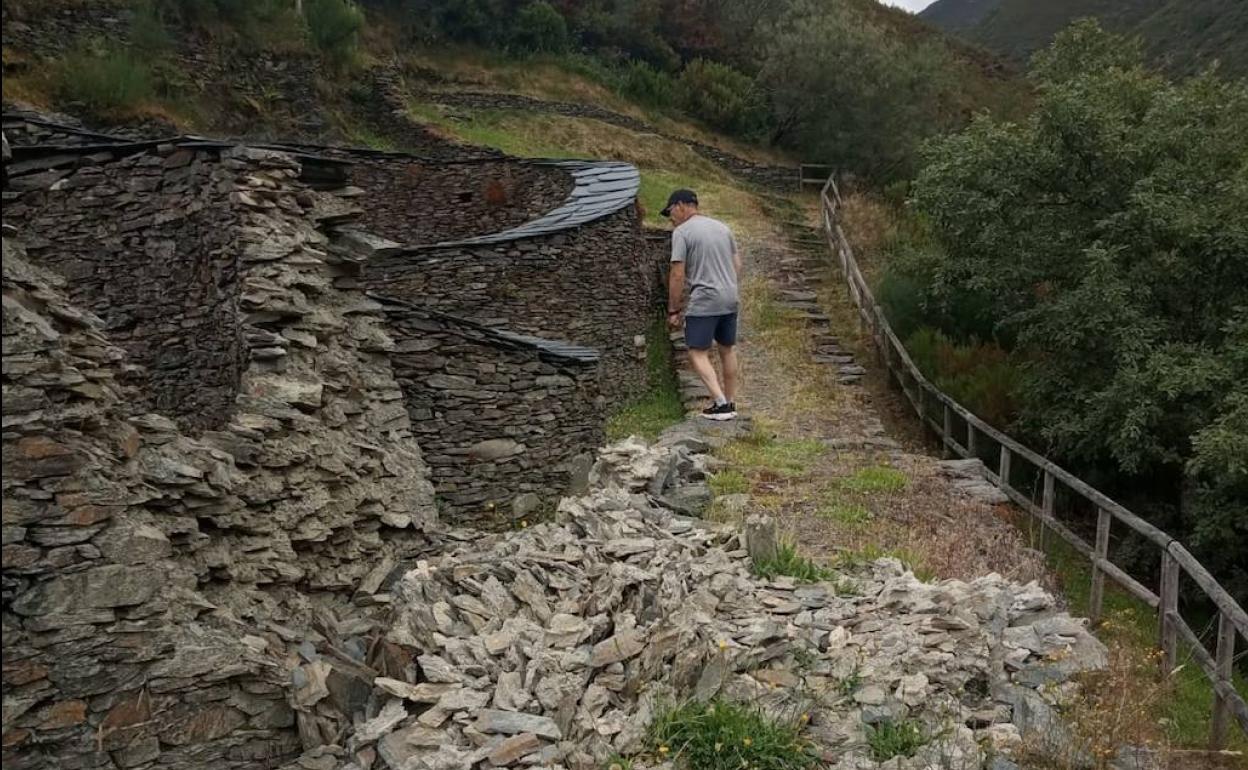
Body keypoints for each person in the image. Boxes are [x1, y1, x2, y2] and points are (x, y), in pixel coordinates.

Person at [662, 188, 742, 420]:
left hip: (705, 298)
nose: (671, 219)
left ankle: (720, 404)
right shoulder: (723, 228)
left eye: (670, 212)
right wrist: (727, 284)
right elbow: (737, 264)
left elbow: (677, 273)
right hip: (730, 295)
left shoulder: (682, 232)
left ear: (680, 205)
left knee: (697, 352)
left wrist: (674, 309)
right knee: (727, 348)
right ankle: (731, 400)